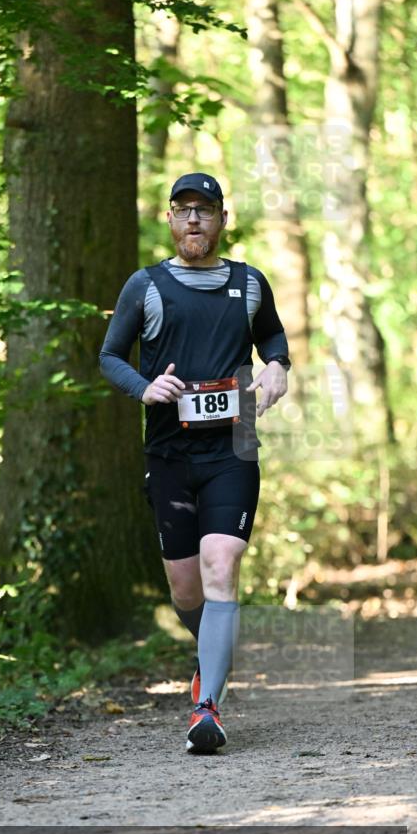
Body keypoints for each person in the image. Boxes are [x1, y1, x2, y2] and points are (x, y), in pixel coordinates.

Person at [99, 172, 290, 754]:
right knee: (187, 591)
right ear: (170, 219)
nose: (194, 221)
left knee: (220, 560)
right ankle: (211, 646)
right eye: (184, 210)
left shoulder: (249, 283)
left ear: (221, 220)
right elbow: (110, 356)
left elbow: (273, 338)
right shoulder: (147, 285)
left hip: (233, 447)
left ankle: (206, 706)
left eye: (205, 211)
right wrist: (143, 386)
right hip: (170, 453)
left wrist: (278, 366)